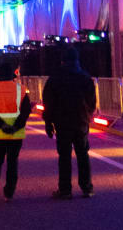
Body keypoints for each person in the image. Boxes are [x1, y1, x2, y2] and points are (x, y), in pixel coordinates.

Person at [42, 46, 96, 200]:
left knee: (64, 156)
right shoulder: (85, 77)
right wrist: (87, 116)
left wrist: (48, 122)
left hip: (62, 122)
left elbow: (49, 102)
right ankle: (87, 187)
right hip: (81, 121)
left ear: (62, 60)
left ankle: (65, 190)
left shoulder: (55, 78)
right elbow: (92, 101)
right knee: (83, 154)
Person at [0, 61, 31, 204]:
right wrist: (16, 126)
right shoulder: (21, 90)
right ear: (12, 74)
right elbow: (26, 111)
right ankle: (9, 192)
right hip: (16, 135)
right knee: (12, 162)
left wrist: (0, 125)